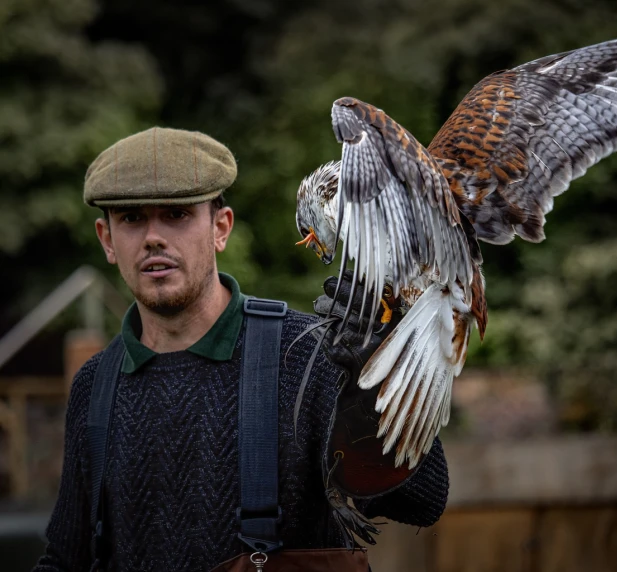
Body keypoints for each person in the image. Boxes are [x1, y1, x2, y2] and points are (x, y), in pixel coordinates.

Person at [32, 127, 449, 572]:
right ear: (107, 240)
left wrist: (378, 382)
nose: (153, 236)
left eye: (176, 215)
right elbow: (65, 559)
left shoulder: (311, 355)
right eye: (132, 218)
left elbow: (424, 500)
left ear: (220, 228)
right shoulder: (94, 386)